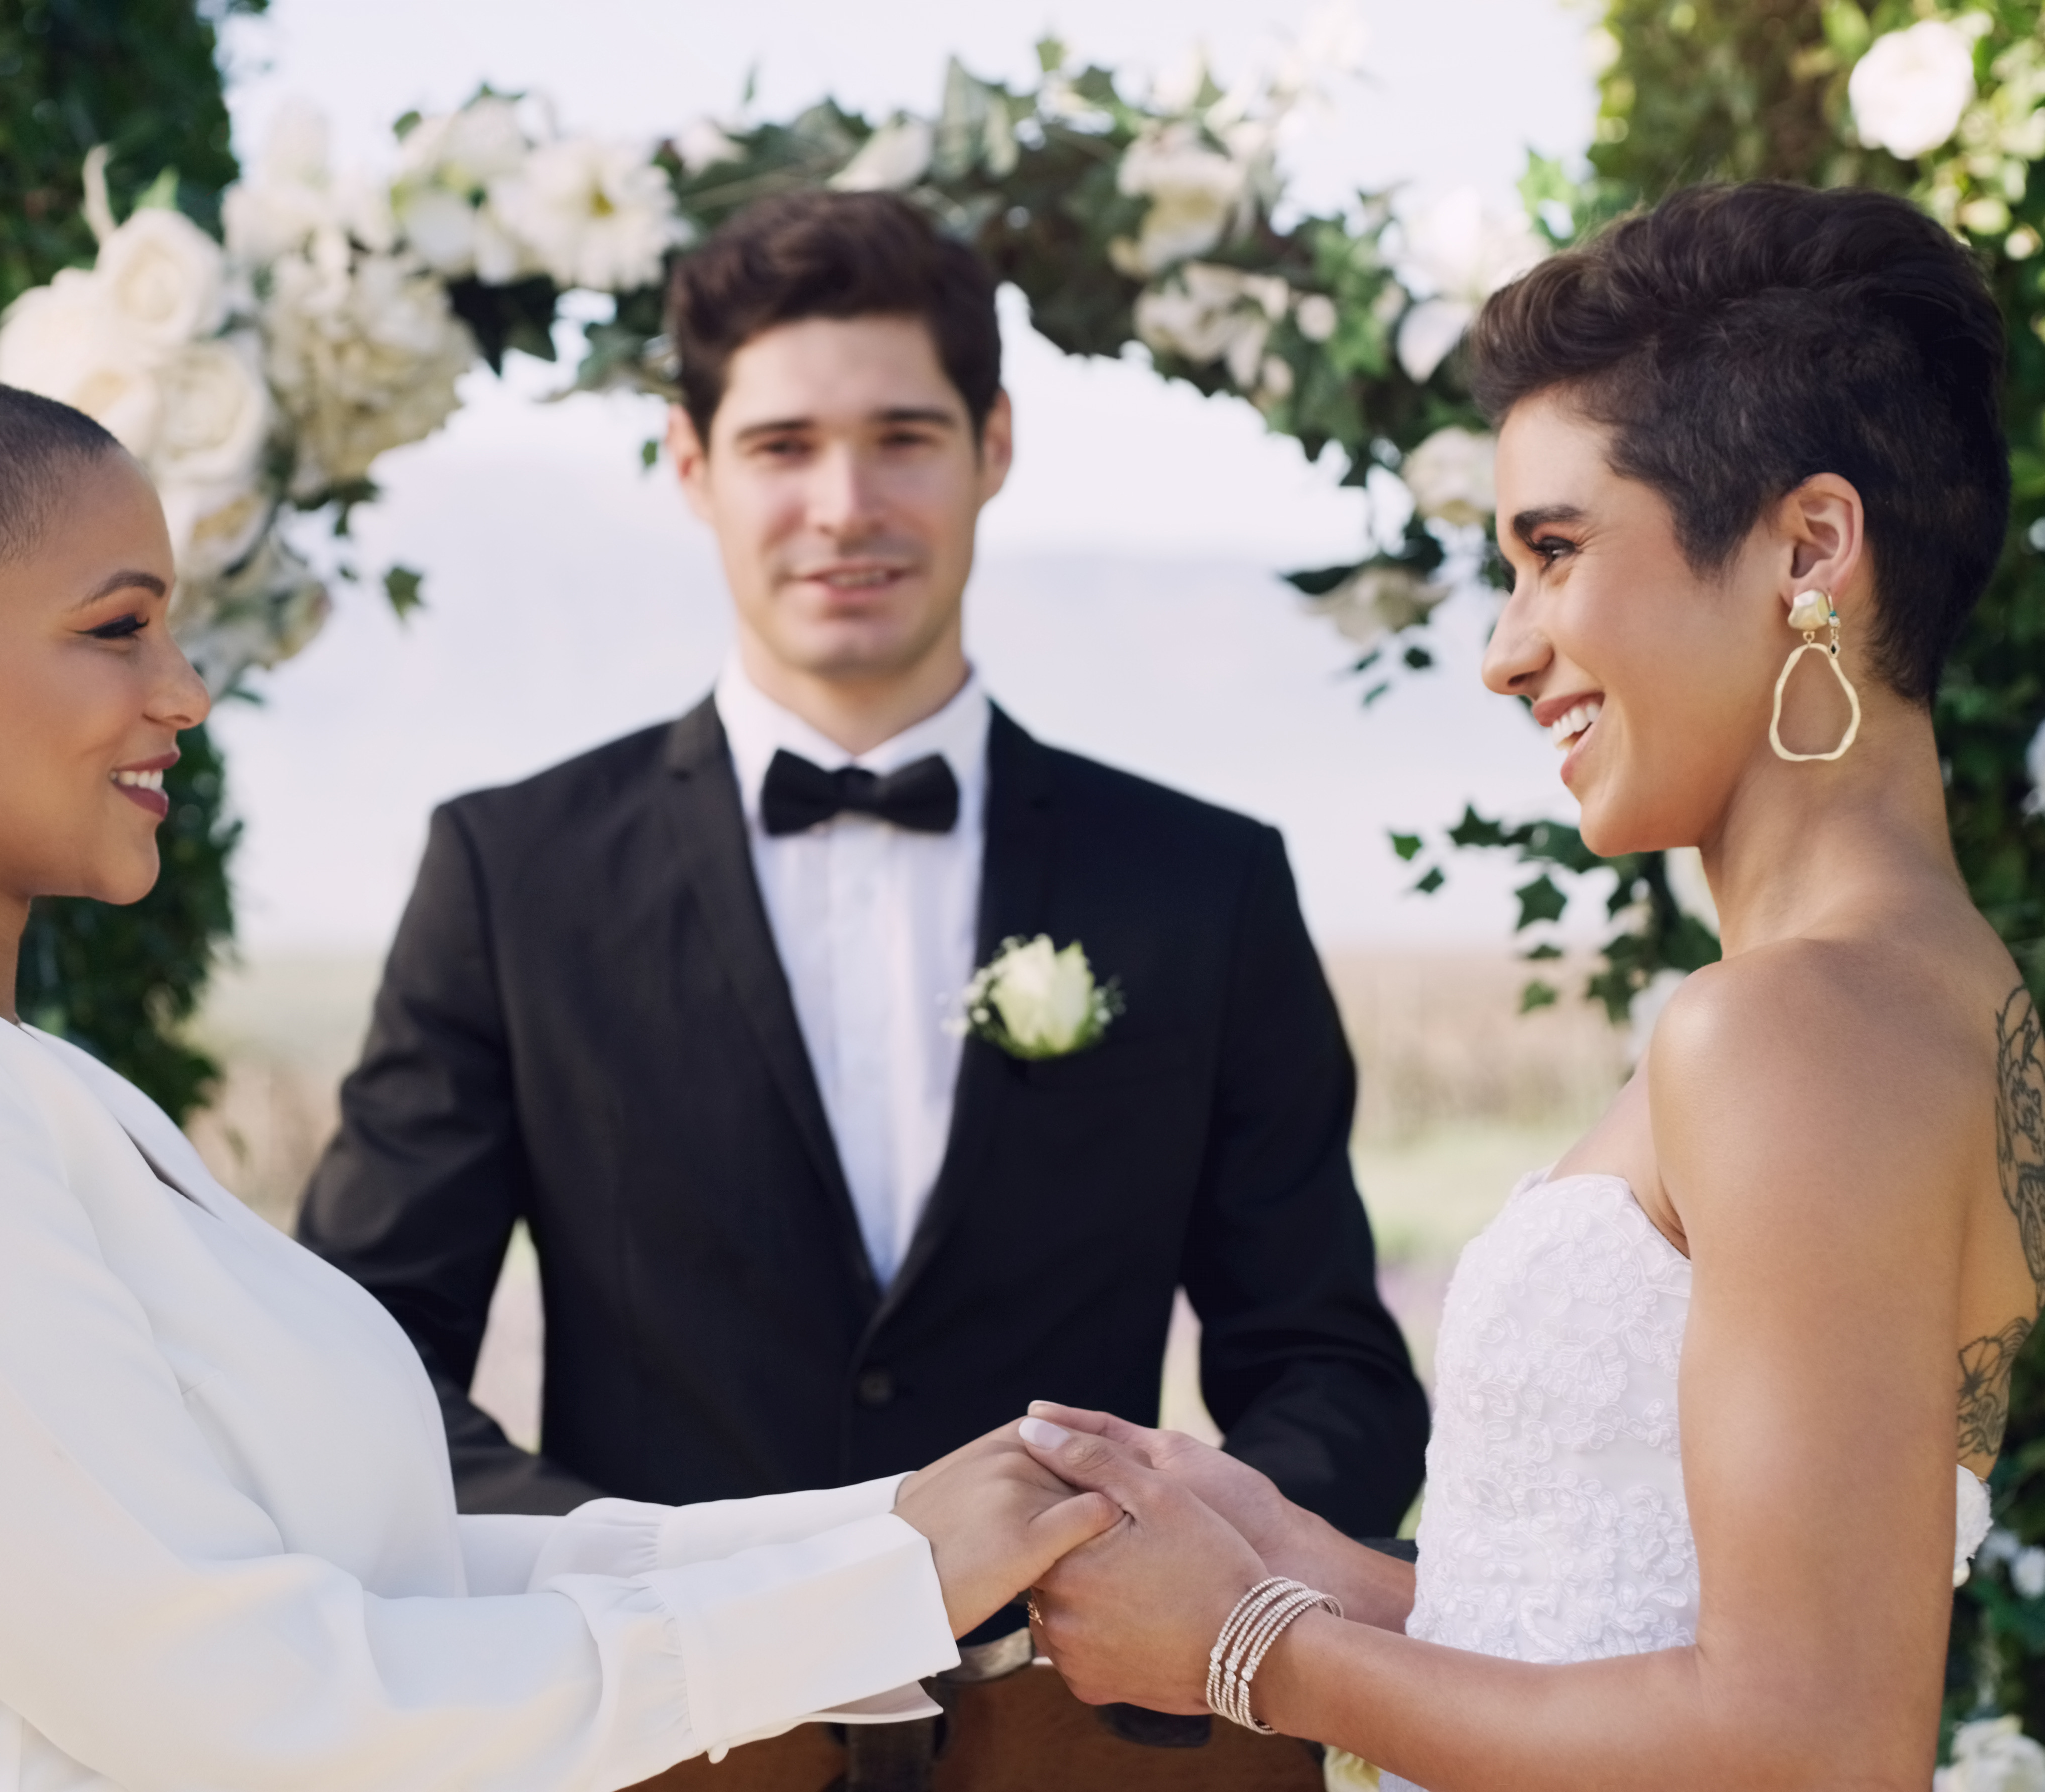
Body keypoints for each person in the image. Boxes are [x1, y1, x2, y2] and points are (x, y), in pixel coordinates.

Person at [0, 367, 1120, 1790]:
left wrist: (890, 1543)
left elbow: (392, 1573)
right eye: (116, 629)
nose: (184, 692)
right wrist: (875, 1584)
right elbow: (241, 1699)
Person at [1011, 182, 2045, 1787]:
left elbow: (1812, 1744)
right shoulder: (1919, 998)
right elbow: (1629, 1635)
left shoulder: (1790, 1028)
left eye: (1553, 551)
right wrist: (1290, 1555)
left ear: (1809, 546)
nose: (1502, 650)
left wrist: (1245, 1645)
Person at [294, 192, 1427, 1615]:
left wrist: (1175, 1573)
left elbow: (1332, 1368)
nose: (846, 506)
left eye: (902, 438)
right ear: (691, 464)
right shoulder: (508, 873)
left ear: (991, 448)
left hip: (1085, 1737)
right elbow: (359, 1374)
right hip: (668, 1739)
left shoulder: (1203, 881)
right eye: (782, 447)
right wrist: (663, 1588)